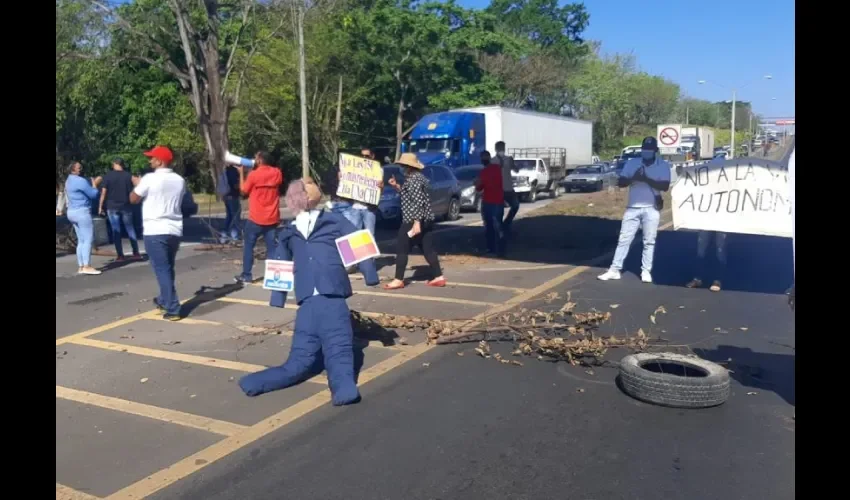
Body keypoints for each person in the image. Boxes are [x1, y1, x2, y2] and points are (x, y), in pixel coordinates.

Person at [238, 178, 361, 406]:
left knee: (316, 358)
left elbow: (355, 242)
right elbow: (280, 261)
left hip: (320, 302)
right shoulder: (291, 232)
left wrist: (370, 273)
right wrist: (278, 297)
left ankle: (254, 383)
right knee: (325, 356)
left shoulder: (328, 222)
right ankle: (256, 382)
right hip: (320, 303)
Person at [130, 146, 197, 321]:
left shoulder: (149, 179)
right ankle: (163, 299)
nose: (149, 160)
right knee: (167, 268)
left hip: (155, 229)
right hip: (174, 228)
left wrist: (137, 185)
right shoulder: (179, 180)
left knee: (161, 269)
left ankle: (173, 308)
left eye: (152, 158)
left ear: (160, 161)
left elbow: (133, 198)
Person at [598, 136, 671, 283]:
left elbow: (665, 186)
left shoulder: (663, 165)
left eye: (649, 149)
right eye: (644, 149)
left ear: (655, 150)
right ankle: (615, 269)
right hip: (633, 208)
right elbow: (622, 182)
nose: (646, 152)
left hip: (651, 208)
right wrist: (634, 178)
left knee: (649, 241)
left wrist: (646, 179)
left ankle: (645, 271)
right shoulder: (632, 163)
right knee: (624, 239)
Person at [383, 153, 446, 290]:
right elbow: (410, 197)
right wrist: (397, 187)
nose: (401, 168)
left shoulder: (414, 181)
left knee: (402, 248)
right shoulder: (418, 178)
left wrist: (416, 222)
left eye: (402, 166)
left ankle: (398, 279)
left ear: (408, 167)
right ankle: (438, 276)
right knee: (427, 248)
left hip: (413, 219)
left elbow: (418, 202)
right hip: (425, 219)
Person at [325, 148, 381, 286]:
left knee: (369, 236)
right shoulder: (347, 168)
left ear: (372, 156)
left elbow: (380, 189)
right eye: (362, 156)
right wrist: (340, 181)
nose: (364, 157)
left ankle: (369, 266)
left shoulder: (377, 170)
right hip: (354, 207)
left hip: (369, 208)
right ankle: (351, 265)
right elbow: (332, 186)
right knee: (351, 237)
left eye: (367, 155)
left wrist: (381, 186)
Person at [235, 151, 283, 284]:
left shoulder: (253, 175)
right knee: (272, 247)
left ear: (260, 160)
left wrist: (241, 173)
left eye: (256, 158)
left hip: (256, 217)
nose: (254, 160)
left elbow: (243, 190)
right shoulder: (277, 173)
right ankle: (274, 277)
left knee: (249, 246)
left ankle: (247, 275)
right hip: (272, 217)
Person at [98, 158, 142, 261]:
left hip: (112, 206)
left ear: (115, 164)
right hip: (126, 205)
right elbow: (137, 187)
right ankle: (136, 253)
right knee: (130, 229)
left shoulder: (108, 176)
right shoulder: (128, 175)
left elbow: (103, 192)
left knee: (116, 231)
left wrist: (100, 206)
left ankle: (120, 255)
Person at [64, 161, 103, 275]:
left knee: (81, 240)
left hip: (71, 211)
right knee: (88, 239)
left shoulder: (68, 181)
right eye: (78, 167)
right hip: (82, 211)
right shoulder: (80, 181)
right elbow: (93, 194)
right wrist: (95, 185)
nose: (81, 169)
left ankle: (81, 266)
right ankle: (87, 265)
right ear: (73, 169)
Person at [475, 150, 505, 256]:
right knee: (498, 225)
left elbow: (479, 187)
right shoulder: (497, 169)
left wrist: (476, 183)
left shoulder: (484, 172)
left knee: (490, 227)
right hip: (499, 201)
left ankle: (491, 249)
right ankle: (502, 248)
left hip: (489, 202)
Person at [493, 141, 519, 232]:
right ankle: (506, 224)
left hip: (498, 189)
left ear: (495, 149)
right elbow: (516, 170)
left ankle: (500, 229)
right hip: (508, 189)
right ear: (504, 148)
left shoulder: (492, 161)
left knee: (499, 210)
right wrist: (515, 165)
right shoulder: (509, 159)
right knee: (515, 206)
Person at [220, 163, 242, 244]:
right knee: (235, 217)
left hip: (226, 196)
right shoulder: (233, 171)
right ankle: (234, 237)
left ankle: (224, 236)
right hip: (233, 197)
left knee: (229, 217)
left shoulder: (225, 171)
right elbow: (235, 185)